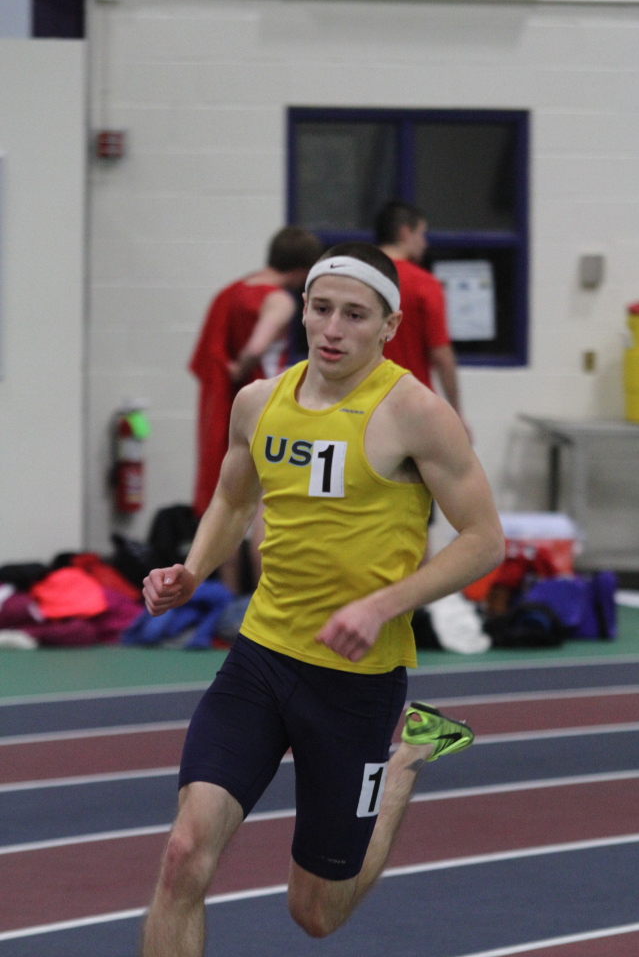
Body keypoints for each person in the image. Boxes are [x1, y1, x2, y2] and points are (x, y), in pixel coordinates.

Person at [141, 242, 504, 954]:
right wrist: (194, 569)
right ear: (302, 309)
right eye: (321, 308)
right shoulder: (259, 402)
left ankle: (407, 756)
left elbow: (484, 539)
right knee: (183, 854)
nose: (333, 329)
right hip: (261, 658)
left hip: (355, 682)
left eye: (355, 315)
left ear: (388, 325)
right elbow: (233, 500)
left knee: (316, 911)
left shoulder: (416, 413)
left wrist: (380, 605)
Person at [189, 225, 321, 588]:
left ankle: (230, 595)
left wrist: (228, 374)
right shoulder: (278, 299)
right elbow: (258, 346)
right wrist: (242, 366)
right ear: (302, 269)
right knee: (266, 509)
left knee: (227, 502)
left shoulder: (230, 292)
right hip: (265, 409)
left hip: (228, 411)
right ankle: (265, 598)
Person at [375, 199, 470, 437]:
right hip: (410, 406)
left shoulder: (356, 279)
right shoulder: (423, 284)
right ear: (405, 233)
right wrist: (456, 413)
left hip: (360, 401)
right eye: (421, 234)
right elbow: (441, 355)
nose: (425, 243)